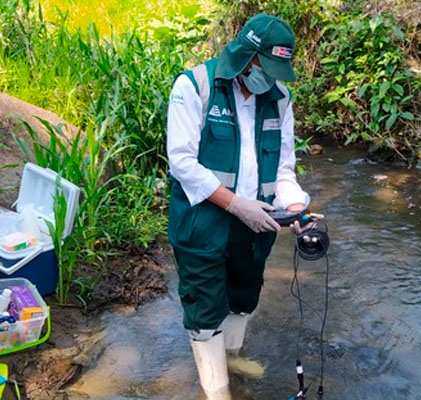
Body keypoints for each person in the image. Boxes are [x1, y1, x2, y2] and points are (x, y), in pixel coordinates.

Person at [166, 13, 320, 400]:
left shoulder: (280, 101)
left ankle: (231, 358)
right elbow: (181, 162)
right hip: (202, 222)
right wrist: (236, 204)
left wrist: (297, 210)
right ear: (246, 58)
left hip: (256, 225)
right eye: (264, 68)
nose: (269, 79)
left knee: (243, 295)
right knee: (204, 304)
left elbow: (283, 170)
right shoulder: (195, 86)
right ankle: (217, 389)